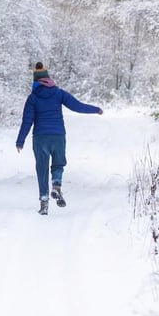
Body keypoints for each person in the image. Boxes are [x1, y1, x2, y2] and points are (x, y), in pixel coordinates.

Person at [15, 62, 103, 215]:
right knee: (58, 163)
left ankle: (44, 203)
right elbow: (77, 106)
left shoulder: (32, 98)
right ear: (48, 78)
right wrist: (95, 109)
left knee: (41, 169)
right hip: (58, 135)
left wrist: (20, 141)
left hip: (40, 137)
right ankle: (56, 184)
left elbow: (27, 121)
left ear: (35, 81)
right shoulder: (58, 93)